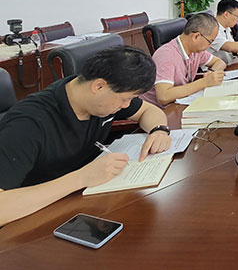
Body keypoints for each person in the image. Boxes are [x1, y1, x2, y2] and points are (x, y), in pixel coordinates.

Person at [0, 46, 172, 226]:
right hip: (33, 218)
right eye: (125, 99)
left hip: (81, 202)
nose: (126, 105)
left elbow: (148, 110)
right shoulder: (28, 124)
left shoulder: (98, 98)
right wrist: (82, 177)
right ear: (99, 86)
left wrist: (159, 130)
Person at [145, 12, 227, 107]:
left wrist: (212, 72)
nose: (209, 46)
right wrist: (204, 82)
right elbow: (163, 97)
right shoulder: (166, 55)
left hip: (180, 104)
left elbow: (219, 62)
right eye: (210, 41)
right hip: (161, 110)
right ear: (196, 36)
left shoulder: (195, 51)